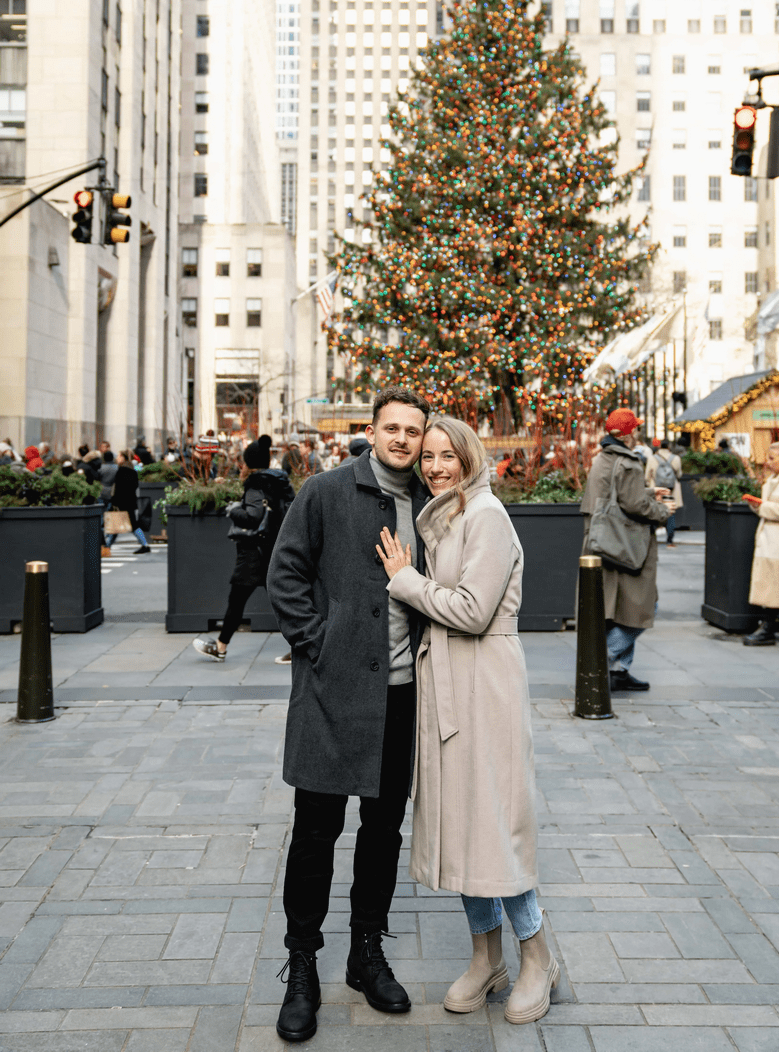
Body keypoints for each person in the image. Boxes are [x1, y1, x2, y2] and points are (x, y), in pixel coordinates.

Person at [378, 416, 559, 1026]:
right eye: (426, 457)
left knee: (494, 823)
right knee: (461, 823)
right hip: (449, 685)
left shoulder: (486, 516)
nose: (433, 467)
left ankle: (537, 956)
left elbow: (474, 610)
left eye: (445, 456)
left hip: (486, 682)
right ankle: (487, 956)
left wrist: (405, 581)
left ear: (469, 458)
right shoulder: (451, 515)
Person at [267, 386, 431, 1044]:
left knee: (384, 827)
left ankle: (367, 949)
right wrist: (318, 644)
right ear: (372, 430)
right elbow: (285, 572)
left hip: (402, 693)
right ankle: (302, 963)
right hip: (334, 694)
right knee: (315, 829)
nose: (401, 439)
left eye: (412, 431)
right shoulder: (327, 490)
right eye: (391, 428)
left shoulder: (430, 501)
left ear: (423, 437)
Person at [580, 409, 672, 692]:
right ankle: (603, 660)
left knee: (616, 610)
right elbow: (634, 506)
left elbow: (614, 496)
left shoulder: (603, 459)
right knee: (643, 606)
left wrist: (647, 492)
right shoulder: (629, 462)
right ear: (628, 434)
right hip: (626, 545)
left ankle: (619, 670)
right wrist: (662, 510)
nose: (638, 434)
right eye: (635, 429)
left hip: (603, 542)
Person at [193, 436, 294, 662]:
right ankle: (302, 647)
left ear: (249, 463)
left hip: (253, 553)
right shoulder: (279, 482)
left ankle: (220, 647)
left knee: (237, 602)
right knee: (285, 602)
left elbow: (253, 516)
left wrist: (233, 510)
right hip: (273, 550)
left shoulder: (256, 485)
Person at [743, 441, 779, 647]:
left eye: (771, 458)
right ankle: (767, 629)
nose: (767, 462)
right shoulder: (777, 479)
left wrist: (764, 507)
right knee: (775, 587)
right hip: (773, 543)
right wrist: (758, 507)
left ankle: (767, 629)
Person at [106, 451, 150, 553]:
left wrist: (114, 501)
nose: (117, 458)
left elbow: (118, 489)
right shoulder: (133, 471)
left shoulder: (121, 470)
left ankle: (145, 545)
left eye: (119, 456)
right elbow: (135, 486)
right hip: (130, 501)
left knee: (122, 524)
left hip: (122, 502)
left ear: (123, 458)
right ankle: (107, 546)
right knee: (119, 524)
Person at [645, 439, 683, 547]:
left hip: (656, 490)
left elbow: (647, 476)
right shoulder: (676, 458)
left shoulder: (652, 458)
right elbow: (679, 474)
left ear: (659, 446)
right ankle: (669, 540)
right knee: (670, 513)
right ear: (669, 447)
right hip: (671, 490)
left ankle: (652, 537)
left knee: (653, 512)